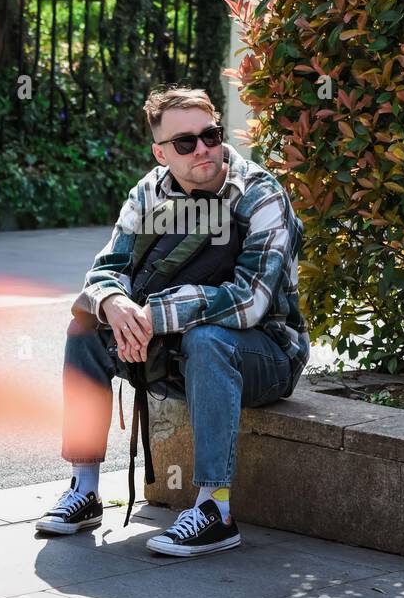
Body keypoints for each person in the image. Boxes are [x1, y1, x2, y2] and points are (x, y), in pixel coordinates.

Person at [35, 86, 310, 556]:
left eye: (211, 135)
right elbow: (105, 271)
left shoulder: (258, 194)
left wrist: (153, 315)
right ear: (161, 153)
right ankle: (84, 488)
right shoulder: (148, 192)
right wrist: (113, 306)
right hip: (172, 349)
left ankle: (214, 511)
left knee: (209, 338)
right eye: (185, 143)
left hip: (265, 354)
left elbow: (250, 302)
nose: (203, 149)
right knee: (85, 327)